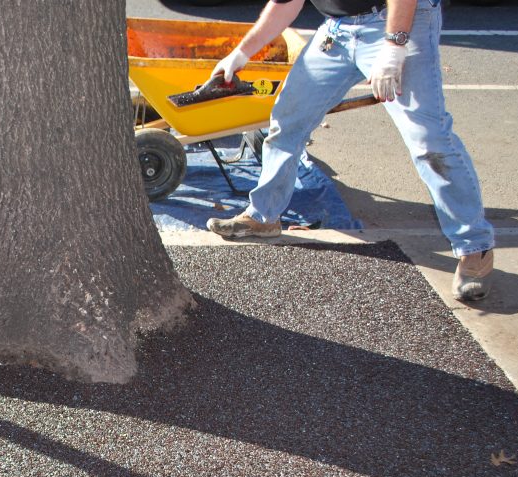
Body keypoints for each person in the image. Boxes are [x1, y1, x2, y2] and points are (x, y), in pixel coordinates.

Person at [205, 0, 495, 301]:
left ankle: (475, 248)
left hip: (398, 21)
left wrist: (395, 47)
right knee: (287, 123)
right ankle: (264, 217)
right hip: (338, 30)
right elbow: (286, 3)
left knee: (429, 142)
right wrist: (240, 53)